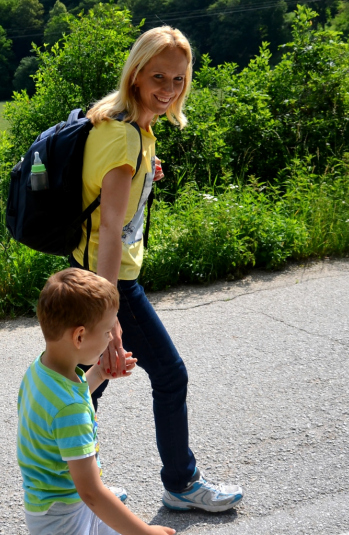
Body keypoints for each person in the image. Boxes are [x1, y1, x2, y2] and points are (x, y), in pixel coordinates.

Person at [71, 26, 244, 512]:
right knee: (168, 374)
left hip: (86, 271)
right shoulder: (127, 139)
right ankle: (182, 482)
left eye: (178, 79)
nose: (168, 89)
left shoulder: (121, 125)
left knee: (88, 383)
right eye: (158, 76)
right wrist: (109, 313)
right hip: (110, 280)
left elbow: (106, 196)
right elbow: (109, 228)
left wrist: (144, 175)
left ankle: (79, 488)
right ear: (137, 73)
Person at [18, 268, 176, 535]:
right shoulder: (71, 409)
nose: (110, 340)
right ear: (79, 336)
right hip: (65, 519)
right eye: (106, 333)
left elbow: (65, 402)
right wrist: (146, 533)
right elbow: (92, 492)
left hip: (54, 505)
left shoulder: (42, 371)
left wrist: (100, 372)